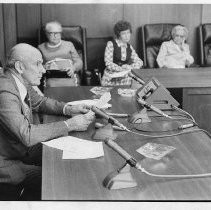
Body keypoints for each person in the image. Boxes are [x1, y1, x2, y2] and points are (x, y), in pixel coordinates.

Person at [0, 43, 94, 200]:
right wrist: (70, 124)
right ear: (20, 66)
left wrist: (69, 109)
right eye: (38, 64)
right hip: (6, 162)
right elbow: (27, 135)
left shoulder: (18, 80)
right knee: (58, 177)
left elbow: (40, 102)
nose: (43, 70)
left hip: (19, 149)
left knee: (68, 160)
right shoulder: (4, 91)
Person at [38, 21, 83, 86]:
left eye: (57, 33)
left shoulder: (69, 45)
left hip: (69, 76)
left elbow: (79, 62)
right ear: (46, 34)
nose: (55, 36)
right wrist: (46, 67)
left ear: (60, 33)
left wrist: (73, 68)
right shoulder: (41, 48)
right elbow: (37, 66)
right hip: (51, 79)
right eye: (51, 33)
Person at [101, 20, 143, 86]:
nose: (127, 36)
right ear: (119, 35)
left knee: (140, 83)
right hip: (111, 77)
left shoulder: (129, 47)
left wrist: (129, 67)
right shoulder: (111, 44)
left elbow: (140, 62)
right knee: (133, 84)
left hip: (124, 76)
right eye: (124, 33)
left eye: (128, 33)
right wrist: (121, 69)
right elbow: (108, 63)